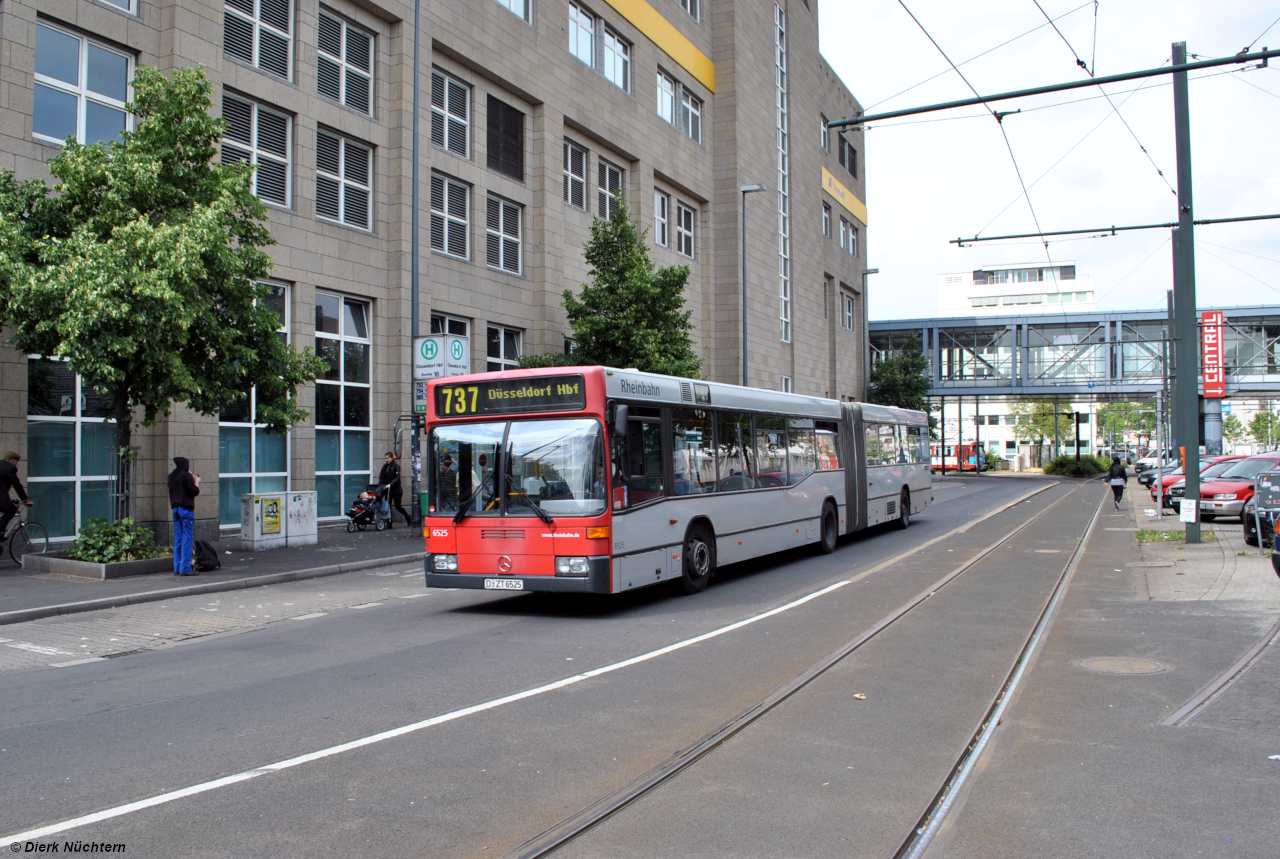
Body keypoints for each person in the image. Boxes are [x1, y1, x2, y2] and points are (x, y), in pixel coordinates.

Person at [168, 457, 201, 575]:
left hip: (175, 509)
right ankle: (185, 567)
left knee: (178, 538)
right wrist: (196, 482)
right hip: (186, 509)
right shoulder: (186, 475)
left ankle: (177, 567)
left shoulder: (171, 476)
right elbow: (194, 491)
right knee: (187, 538)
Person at [1, 451, 33, 537]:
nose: (16, 464)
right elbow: (17, 485)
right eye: (17, 461)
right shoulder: (10, 468)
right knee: (12, 509)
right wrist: (26, 500)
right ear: (12, 460)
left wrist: (7, 496)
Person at [380, 452, 411, 528]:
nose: (386, 460)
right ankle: (389, 523)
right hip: (388, 490)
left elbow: (397, 478)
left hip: (396, 490)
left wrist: (390, 484)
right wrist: (381, 484)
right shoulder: (385, 467)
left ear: (391, 458)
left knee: (398, 506)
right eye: (385, 458)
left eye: (388, 458)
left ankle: (408, 518)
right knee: (388, 506)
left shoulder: (396, 466)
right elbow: (382, 476)